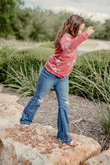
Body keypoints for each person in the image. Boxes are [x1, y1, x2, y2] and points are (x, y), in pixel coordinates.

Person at [20, 14, 94, 147]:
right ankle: (25, 120)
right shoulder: (66, 37)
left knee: (64, 105)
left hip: (63, 78)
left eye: (83, 30)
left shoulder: (76, 37)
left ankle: (63, 136)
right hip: (49, 74)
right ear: (72, 27)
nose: (81, 32)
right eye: (80, 29)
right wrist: (85, 35)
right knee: (39, 98)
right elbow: (68, 47)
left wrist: (81, 35)